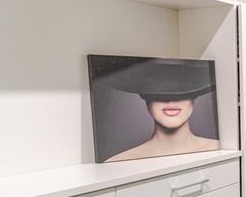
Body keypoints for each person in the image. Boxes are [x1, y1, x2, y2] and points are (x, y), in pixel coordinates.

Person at [89, 56, 220, 162]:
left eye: (183, 91)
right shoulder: (119, 163)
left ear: (195, 96)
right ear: (144, 96)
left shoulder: (221, 149)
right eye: (158, 91)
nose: (171, 101)